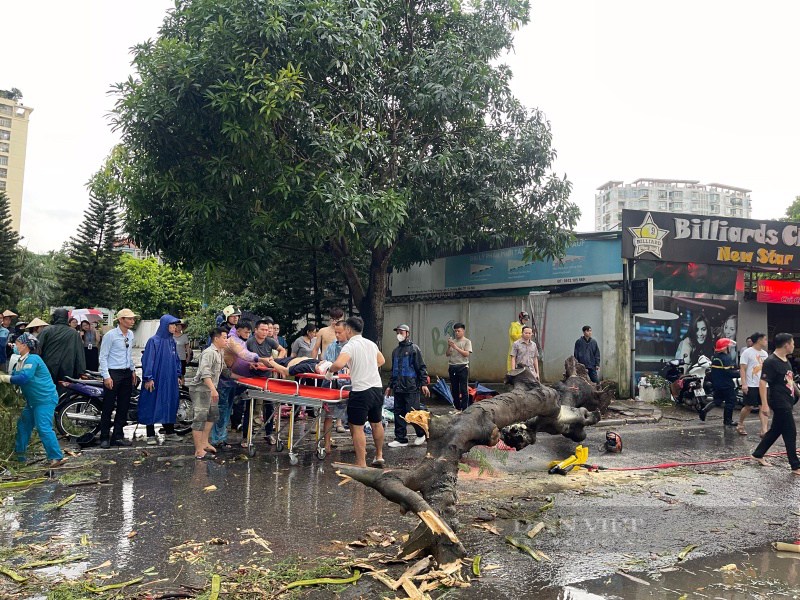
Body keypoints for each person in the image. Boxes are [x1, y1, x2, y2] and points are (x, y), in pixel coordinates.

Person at [326, 316, 385, 468]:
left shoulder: (349, 346)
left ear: (349, 330)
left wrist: (329, 371)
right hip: (377, 388)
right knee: (376, 423)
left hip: (361, 391)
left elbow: (338, 364)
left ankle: (361, 463)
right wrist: (367, 366)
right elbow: (382, 361)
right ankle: (379, 456)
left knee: (357, 426)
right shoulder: (371, 344)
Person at [0, 334, 65, 467]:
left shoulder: (33, 359)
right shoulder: (20, 361)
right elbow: (15, 376)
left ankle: (56, 457)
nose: (15, 346)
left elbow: (24, 378)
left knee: (43, 428)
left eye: (17, 343)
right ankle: (19, 457)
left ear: (24, 346)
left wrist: (3, 378)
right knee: (23, 426)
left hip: (44, 399)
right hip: (32, 401)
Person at [752, 333, 800, 474]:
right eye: (792, 343)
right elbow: (763, 382)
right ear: (786, 344)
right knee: (790, 432)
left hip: (787, 399)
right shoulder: (771, 361)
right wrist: (765, 404)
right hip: (779, 401)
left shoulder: (786, 360)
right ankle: (795, 465)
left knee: (775, 430)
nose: (794, 346)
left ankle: (758, 454)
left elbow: (790, 381)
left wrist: (798, 393)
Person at [139, 315, 184, 445]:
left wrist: (178, 375)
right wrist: (148, 378)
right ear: (165, 325)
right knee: (151, 403)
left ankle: (169, 432)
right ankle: (150, 434)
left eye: (176, 325)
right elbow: (148, 360)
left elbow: (176, 361)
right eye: (172, 325)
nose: (175, 327)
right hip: (155, 379)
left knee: (169, 402)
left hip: (169, 379)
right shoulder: (154, 341)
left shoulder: (172, 342)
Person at [98, 309, 139, 448]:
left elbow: (128, 354)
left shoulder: (131, 334)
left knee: (123, 406)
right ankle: (104, 437)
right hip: (113, 373)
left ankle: (118, 436)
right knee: (108, 406)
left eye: (133, 319)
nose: (132, 321)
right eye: (129, 319)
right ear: (121, 320)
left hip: (126, 373)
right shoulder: (110, 335)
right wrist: (106, 376)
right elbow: (103, 356)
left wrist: (132, 370)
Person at [386, 324, 429, 448]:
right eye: (397, 332)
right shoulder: (395, 351)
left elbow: (421, 367)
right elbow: (393, 370)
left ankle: (421, 434)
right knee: (399, 413)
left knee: (412, 413)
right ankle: (401, 438)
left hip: (411, 387)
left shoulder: (414, 349)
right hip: (398, 387)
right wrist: (390, 386)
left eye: (401, 332)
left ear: (407, 333)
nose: (399, 334)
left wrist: (424, 383)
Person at [187, 328, 227, 459]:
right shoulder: (209, 353)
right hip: (201, 389)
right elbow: (205, 374)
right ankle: (199, 450)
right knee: (200, 418)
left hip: (211, 389)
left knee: (212, 416)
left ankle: (204, 442)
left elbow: (225, 371)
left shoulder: (219, 352)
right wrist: (213, 390)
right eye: (224, 338)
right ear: (216, 339)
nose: (226, 340)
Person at [246, 319, 286, 444]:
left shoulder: (270, 341)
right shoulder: (249, 342)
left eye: (266, 330)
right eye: (262, 330)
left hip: (267, 377)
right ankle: (246, 435)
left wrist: (276, 361)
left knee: (269, 405)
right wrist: (250, 362)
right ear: (255, 330)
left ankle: (269, 434)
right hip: (252, 377)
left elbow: (282, 350)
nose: (264, 332)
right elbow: (242, 356)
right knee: (250, 406)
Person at [37, 308, 86, 387]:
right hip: (67, 368)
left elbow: (36, 348)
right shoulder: (74, 333)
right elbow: (79, 354)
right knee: (64, 393)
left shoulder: (47, 330)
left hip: (47, 366)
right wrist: (80, 371)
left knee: (46, 390)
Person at [738, 332, 769, 437]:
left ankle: (764, 430)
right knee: (749, 406)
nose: (766, 341)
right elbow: (743, 369)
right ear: (759, 340)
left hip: (763, 384)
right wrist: (744, 384)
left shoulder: (765, 354)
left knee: (763, 406)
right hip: (751, 384)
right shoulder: (747, 352)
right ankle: (740, 424)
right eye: (764, 339)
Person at [324, 320, 348, 434]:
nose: (337, 335)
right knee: (329, 406)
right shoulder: (332, 346)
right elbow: (326, 360)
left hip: (346, 380)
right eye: (336, 333)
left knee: (343, 403)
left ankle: (340, 422)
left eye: (340, 333)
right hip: (331, 377)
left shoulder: (350, 346)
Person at [708, 337, 738, 426]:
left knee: (717, 401)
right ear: (725, 347)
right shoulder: (726, 358)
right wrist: (740, 373)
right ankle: (727, 421)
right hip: (726, 384)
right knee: (731, 401)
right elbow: (729, 373)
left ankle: (704, 410)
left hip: (717, 384)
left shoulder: (716, 357)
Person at [446, 323, 472, 411]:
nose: (457, 333)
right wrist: (449, 346)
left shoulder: (467, 341)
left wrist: (456, 347)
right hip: (453, 366)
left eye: (458, 331)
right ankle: (457, 407)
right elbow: (447, 354)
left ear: (463, 331)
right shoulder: (453, 341)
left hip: (463, 366)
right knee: (454, 389)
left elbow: (466, 354)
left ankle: (465, 408)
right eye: (455, 331)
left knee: (464, 389)